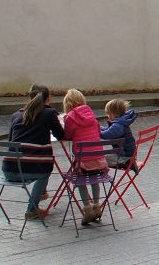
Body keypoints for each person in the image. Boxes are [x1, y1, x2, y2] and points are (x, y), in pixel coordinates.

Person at [2, 84, 65, 220]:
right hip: (30, 171)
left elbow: (10, 140)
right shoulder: (49, 113)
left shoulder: (16, 115)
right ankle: (32, 209)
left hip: (8, 170)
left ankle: (41, 194)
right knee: (45, 170)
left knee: (41, 166)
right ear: (49, 98)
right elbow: (60, 135)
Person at [62, 88, 109, 225]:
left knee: (79, 179)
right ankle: (96, 205)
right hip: (99, 160)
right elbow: (97, 132)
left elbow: (68, 135)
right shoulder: (91, 114)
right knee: (94, 179)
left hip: (83, 162)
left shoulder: (70, 117)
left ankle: (87, 209)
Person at [99, 99, 137, 168]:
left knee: (99, 160)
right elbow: (109, 130)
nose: (107, 116)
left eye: (108, 113)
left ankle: (101, 177)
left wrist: (95, 132)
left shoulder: (118, 125)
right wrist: (98, 127)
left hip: (125, 159)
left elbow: (106, 134)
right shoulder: (121, 122)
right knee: (101, 159)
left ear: (114, 113)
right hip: (129, 156)